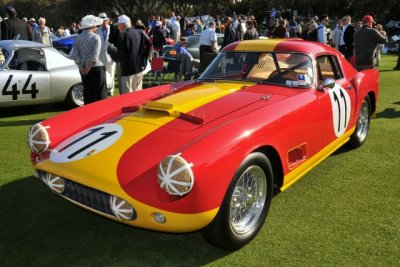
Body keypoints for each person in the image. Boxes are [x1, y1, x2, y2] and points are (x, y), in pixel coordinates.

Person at [110, 15, 152, 94]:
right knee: (138, 93)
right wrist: (144, 58)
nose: (118, 27)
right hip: (139, 67)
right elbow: (149, 44)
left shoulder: (122, 36)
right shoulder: (140, 32)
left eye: (118, 25)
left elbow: (121, 54)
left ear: (123, 24)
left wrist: (111, 51)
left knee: (127, 95)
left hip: (127, 69)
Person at [70, 15, 107, 104]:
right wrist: (88, 68)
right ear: (92, 26)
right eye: (95, 26)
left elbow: (74, 54)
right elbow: (95, 56)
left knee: (88, 93)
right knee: (100, 94)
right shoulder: (96, 37)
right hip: (96, 67)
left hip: (83, 67)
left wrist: (82, 68)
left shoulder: (78, 37)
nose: (96, 27)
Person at [96, 13, 116, 96]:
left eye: (105, 20)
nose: (104, 22)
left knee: (111, 73)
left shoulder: (113, 29)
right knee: (102, 74)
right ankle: (104, 89)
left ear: (108, 20)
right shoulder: (97, 30)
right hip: (100, 56)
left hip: (110, 56)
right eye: (102, 21)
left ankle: (111, 90)